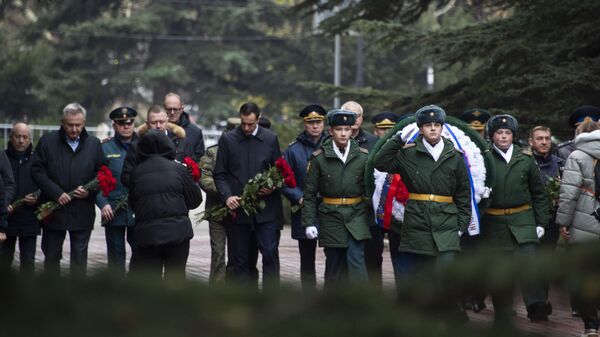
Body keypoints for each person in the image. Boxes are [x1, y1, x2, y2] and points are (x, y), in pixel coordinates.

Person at [374, 105, 471, 280]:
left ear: (442, 127)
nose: (433, 128)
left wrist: (461, 225)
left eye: (437, 124)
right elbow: (380, 163)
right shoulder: (408, 153)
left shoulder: (455, 155)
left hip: (446, 222)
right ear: (420, 128)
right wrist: (398, 139)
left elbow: (464, 193)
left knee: (446, 273)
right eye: (428, 125)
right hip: (418, 220)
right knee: (422, 273)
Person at [480, 114, 551, 323]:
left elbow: (539, 194)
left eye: (507, 133)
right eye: (499, 133)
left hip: (523, 221)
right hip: (494, 224)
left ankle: (536, 306)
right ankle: (502, 313)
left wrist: (540, 222)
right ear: (492, 136)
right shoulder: (484, 160)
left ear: (513, 135)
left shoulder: (525, 159)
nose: (503, 137)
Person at [31, 103, 106, 277]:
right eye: (69, 124)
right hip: (53, 209)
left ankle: (77, 295)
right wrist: (56, 193)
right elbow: (37, 171)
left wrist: (90, 191)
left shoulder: (94, 144)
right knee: (51, 256)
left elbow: (103, 173)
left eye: (78, 125)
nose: (74, 129)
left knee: (79, 259)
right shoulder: (47, 142)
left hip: (82, 210)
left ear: (84, 122)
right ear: (62, 122)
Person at [214, 102, 283, 287]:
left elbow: (279, 171)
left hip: (266, 210)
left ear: (258, 120)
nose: (246, 127)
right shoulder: (228, 139)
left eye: (250, 124)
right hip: (239, 210)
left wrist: (273, 186)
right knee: (240, 259)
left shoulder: (270, 139)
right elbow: (220, 173)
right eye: (243, 123)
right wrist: (227, 196)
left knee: (269, 253)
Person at [302, 109, 371, 288]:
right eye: (339, 129)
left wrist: (372, 216)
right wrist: (309, 222)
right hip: (330, 216)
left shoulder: (363, 157)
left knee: (356, 261)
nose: (343, 133)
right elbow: (309, 194)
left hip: (356, 215)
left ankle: (361, 306)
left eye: (347, 129)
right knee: (334, 265)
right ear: (330, 131)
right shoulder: (319, 158)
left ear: (351, 130)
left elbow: (370, 190)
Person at [128, 130, 203, 280]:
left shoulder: (137, 172)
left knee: (151, 282)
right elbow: (196, 199)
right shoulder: (179, 169)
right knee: (175, 280)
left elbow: (133, 203)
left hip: (148, 235)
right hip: (178, 234)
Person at [556, 120, 600, 336]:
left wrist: (563, 223)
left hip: (583, 223)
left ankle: (591, 325)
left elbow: (569, 193)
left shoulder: (576, 155)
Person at [281, 104, 327, 290]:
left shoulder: (332, 144)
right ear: (305, 124)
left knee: (333, 254)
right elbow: (284, 181)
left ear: (324, 123)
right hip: (303, 208)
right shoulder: (293, 150)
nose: (315, 126)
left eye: (318, 122)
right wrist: (299, 197)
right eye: (311, 122)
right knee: (306, 258)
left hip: (329, 208)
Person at [95, 107, 139, 275]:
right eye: (121, 123)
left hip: (137, 209)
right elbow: (95, 180)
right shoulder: (104, 148)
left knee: (141, 254)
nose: (126, 126)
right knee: (115, 257)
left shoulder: (143, 146)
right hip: (112, 210)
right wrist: (102, 203)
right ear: (114, 125)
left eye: (129, 123)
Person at [199, 117, 240, 284]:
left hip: (240, 211)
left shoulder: (246, 151)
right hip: (217, 212)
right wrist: (226, 193)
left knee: (238, 254)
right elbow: (204, 178)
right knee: (218, 254)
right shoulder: (212, 153)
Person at [121, 105, 193, 188]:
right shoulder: (136, 146)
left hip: (174, 194)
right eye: (154, 122)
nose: (158, 126)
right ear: (147, 123)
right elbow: (126, 178)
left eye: (161, 122)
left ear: (167, 121)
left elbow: (192, 171)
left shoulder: (181, 142)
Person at [367, 111, 400, 288]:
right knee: (374, 254)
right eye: (382, 129)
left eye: (390, 129)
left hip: (397, 210)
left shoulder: (404, 149)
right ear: (375, 131)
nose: (386, 132)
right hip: (374, 210)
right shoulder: (369, 151)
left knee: (398, 251)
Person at [2, 122, 39, 274]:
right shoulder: (3, 158)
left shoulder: (37, 159)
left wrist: (38, 197)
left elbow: (44, 182)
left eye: (25, 137)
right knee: (4, 260)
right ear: (11, 137)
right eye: (18, 136)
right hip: (6, 218)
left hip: (29, 218)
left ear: (30, 139)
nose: (21, 141)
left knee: (28, 261)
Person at [164, 93, 205, 160]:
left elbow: (200, 159)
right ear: (164, 109)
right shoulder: (158, 129)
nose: (172, 112)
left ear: (181, 109)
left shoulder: (195, 132)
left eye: (175, 109)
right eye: (169, 109)